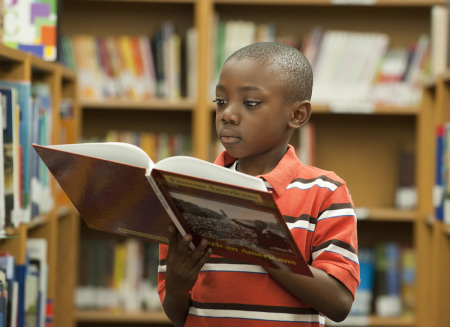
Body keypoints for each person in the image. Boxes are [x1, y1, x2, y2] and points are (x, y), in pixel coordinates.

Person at [157, 42, 360, 327]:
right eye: (221, 101)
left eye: (250, 103)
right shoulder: (190, 190)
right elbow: (178, 314)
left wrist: (260, 245)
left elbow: (339, 303)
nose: (227, 114)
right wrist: (177, 286)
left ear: (297, 115)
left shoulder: (325, 193)